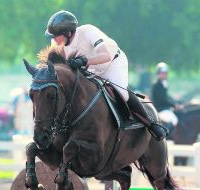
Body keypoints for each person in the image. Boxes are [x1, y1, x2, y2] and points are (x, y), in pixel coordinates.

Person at [45, 10, 167, 141]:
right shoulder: (57, 43)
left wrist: (84, 60)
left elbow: (106, 55)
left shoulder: (88, 31)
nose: (53, 39)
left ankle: (151, 123)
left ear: (68, 33)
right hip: (90, 68)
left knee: (121, 92)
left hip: (113, 62)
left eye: (56, 36)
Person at [152, 62, 181, 135]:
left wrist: (174, 100)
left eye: (165, 73)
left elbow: (166, 96)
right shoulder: (157, 84)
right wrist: (174, 105)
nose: (164, 75)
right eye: (162, 73)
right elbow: (162, 99)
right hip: (160, 108)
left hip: (165, 108)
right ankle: (165, 137)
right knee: (174, 120)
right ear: (158, 73)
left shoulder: (164, 83)